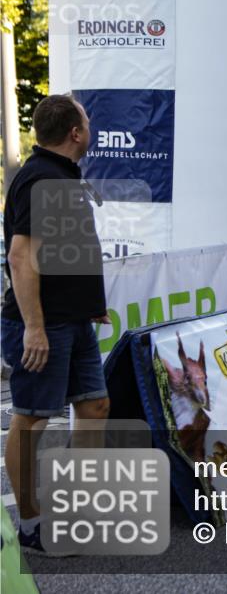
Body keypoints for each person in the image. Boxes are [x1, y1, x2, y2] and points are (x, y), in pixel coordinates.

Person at [2, 95, 112, 555]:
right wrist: (34, 327)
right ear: (74, 133)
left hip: (74, 321)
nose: (91, 129)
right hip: (45, 326)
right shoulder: (41, 178)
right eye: (87, 122)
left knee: (95, 408)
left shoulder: (63, 175)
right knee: (31, 421)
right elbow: (21, 255)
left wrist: (90, 302)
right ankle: (30, 523)